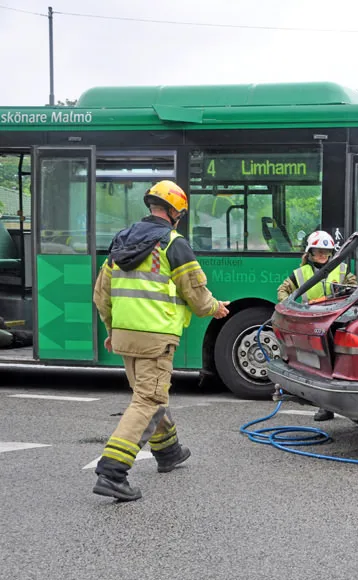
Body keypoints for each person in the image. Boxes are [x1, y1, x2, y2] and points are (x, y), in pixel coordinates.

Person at [92, 180, 230, 502]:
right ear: (174, 212)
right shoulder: (173, 244)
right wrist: (215, 307)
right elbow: (195, 296)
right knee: (149, 401)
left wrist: (112, 330)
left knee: (149, 395)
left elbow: (102, 295)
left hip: (125, 335)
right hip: (155, 336)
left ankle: (168, 452)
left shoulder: (121, 241)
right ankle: (113, 471)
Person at [276, 230, 358, 421]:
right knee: (320, 369)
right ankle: (325, 407)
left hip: (337, 324)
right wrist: (290, 307)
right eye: (318, 251)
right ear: (310, 253)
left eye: (326, 251)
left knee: (344, 365)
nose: (322, 255)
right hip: (312, 326)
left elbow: (356, 289)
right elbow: (283, 291)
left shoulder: (343, 271)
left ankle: (352, 406)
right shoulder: (300, 274)